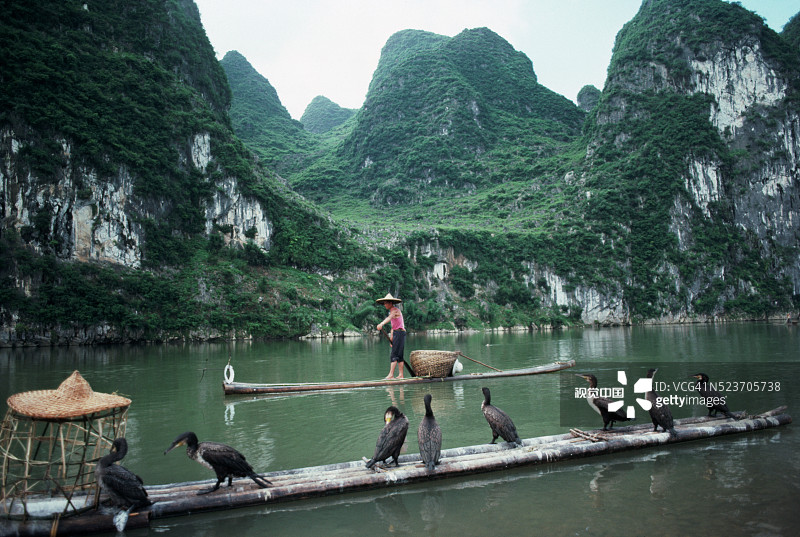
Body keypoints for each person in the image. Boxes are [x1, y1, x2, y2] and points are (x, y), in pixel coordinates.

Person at [376, 293, 406, 379]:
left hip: (400, 333)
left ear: (390, 303)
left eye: (385, 303)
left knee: (395, 354)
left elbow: (389, 318)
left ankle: (391, 375)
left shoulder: (395, 311)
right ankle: (400, 375)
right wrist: (392, 339)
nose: (384, 305)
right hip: (398, 333)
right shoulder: (392, 311)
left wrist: (381, 324)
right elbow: (393, 327)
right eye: (384, 303)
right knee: (398, 355)